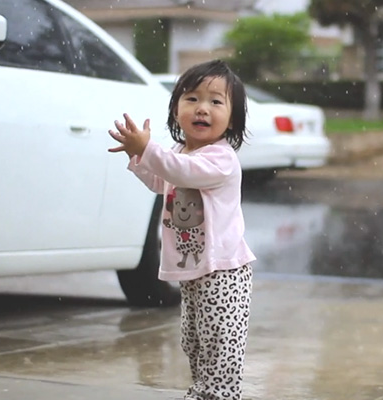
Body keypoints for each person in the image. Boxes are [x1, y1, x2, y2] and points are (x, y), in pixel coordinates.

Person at [107, 59, 255, 400]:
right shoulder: (178, 153)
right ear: (176, 111)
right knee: (194, 338)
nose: (202, 108)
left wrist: (148, 149)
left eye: (216, 102)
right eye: (192, 99)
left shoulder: (221, 159)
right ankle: (202, 389)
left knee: (221, 341)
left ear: (232, 119)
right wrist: (137, 156)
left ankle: (218, 394)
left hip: (224, 272)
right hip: (193, 270)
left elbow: (182, 172)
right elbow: (162, 179)